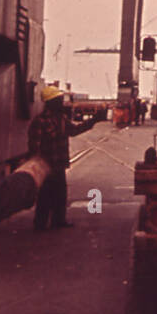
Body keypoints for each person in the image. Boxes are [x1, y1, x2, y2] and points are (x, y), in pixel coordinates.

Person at [27, 85, 100, 231]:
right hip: (47, 166)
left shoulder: (61, 119)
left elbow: (74, 130)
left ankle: (58, 221)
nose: (62, 102)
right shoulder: (40, 121)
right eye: (59, 100)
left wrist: (94, 120)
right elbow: (34, 147)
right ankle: (40, 224)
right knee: (45, 196)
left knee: (60, 194)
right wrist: (39, 167)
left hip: (59, 165)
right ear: (51, 102)